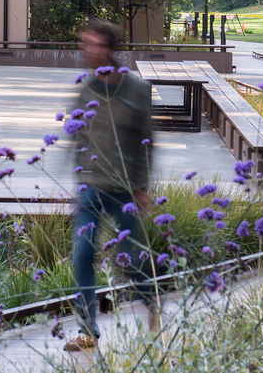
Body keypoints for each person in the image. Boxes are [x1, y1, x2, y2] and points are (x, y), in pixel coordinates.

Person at [64, 19, 157, 352]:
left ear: (109, 49)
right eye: (84, 43)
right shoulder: (84, 89)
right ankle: (87, 331)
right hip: (90, 188)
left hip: (126, 191)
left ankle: (151, 300)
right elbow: (77, 137)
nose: (87, 50)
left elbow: (147, 141)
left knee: (128, 260)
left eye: (94, 44)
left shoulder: (136, 90)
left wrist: (143, 187)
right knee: (82, 253)